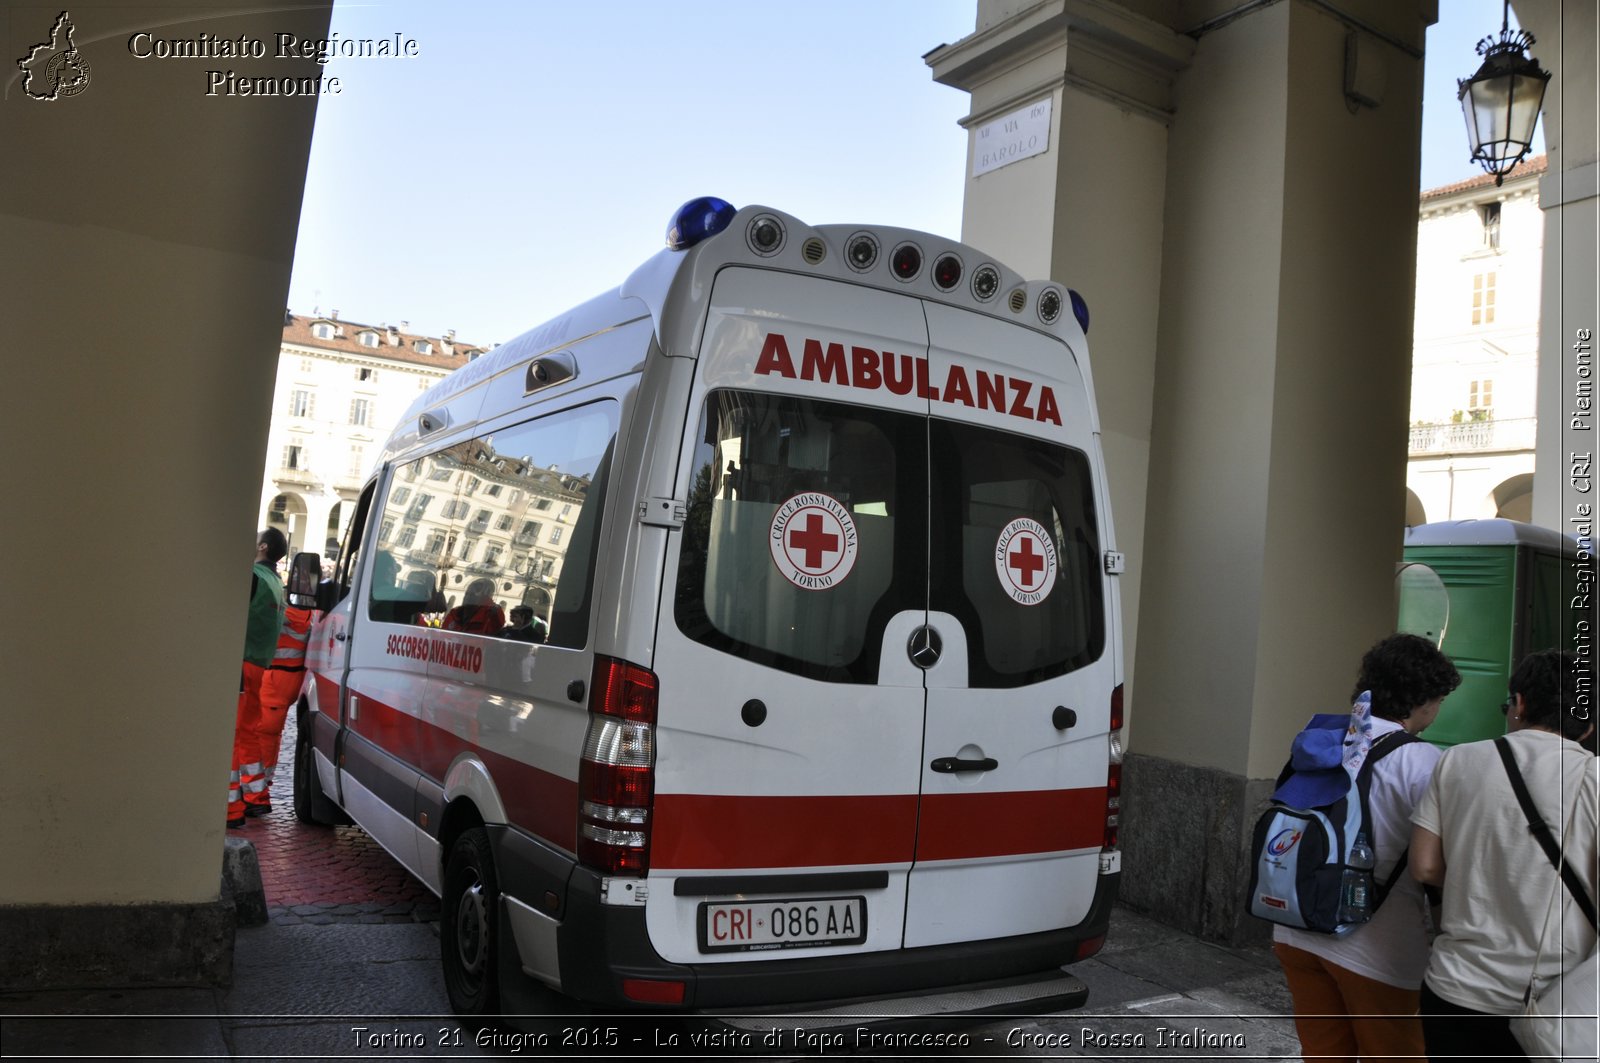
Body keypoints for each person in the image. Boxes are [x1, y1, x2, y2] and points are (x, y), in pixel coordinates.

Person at [1272, 633, 1461, 1063]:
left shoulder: (1322, 738)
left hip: (1295, 928)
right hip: (1378, 946)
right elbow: (1435, 861)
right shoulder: (1423, 761)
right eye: (1439, 700)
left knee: (1323, 1055)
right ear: (1423, 699)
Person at [1411, 649, 1598, 1062]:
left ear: (1520, 703)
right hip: (1551, 1011)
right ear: (1588, 725)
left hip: (1455, 988)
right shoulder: (1594, 780)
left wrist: (1478, 877)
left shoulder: (1458, 760)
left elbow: (1424, 865)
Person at [230, 528, 287, 828]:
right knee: (248, 731)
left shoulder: (252, 576)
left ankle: (232, 809)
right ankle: (256, 797)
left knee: (233, 734)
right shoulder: (276, 583)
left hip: (241, 660)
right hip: (259, 663)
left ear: (262, 547)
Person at [243, 596, 317, 816]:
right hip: (285, 678)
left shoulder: (289, 613)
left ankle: (256, 793)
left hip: (277, 679)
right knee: (267, 734)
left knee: (262, 734)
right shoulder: (304, 612)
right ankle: (259, 788)